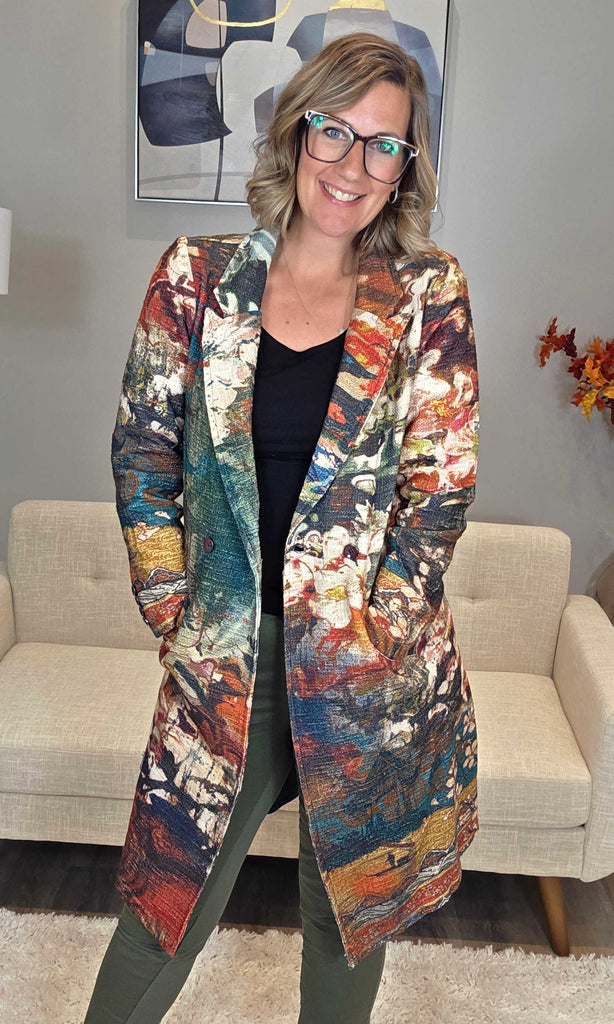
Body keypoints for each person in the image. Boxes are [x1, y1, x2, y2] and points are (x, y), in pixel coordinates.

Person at [84, 31, 479, 1024]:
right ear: (298, 133)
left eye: (383, 145)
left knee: (345, 917)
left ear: (405, 167)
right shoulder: (195, 275)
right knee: (164, 908)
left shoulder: (428, 293)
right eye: (334, 132)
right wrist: (175, 609)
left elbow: (437, 491)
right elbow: (142, 452)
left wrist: (377, 633)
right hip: (231, 653)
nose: (352, 165)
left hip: (365, 665)